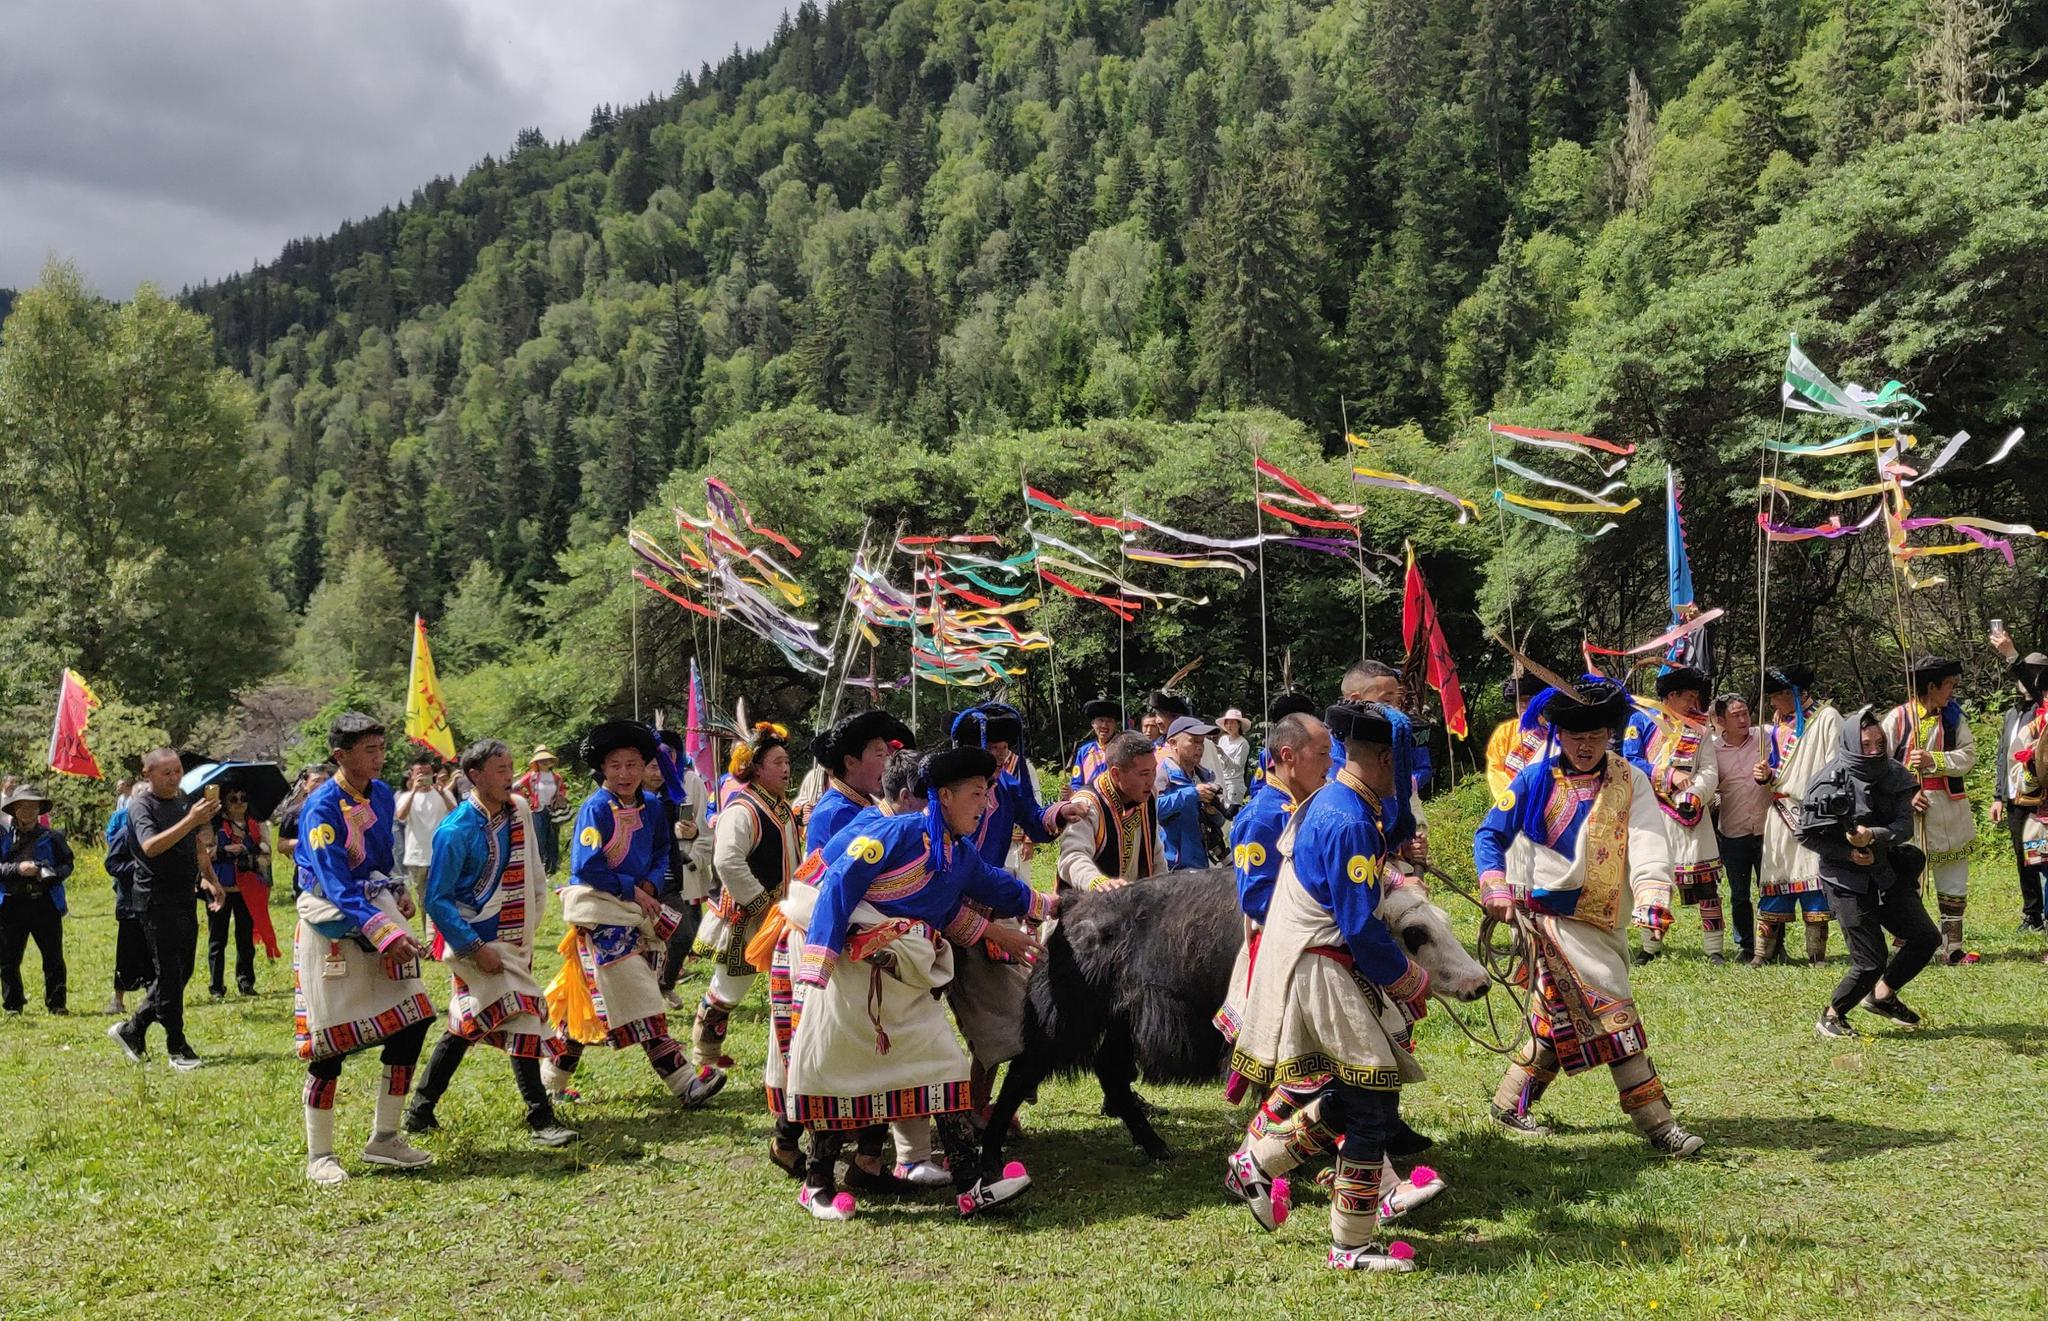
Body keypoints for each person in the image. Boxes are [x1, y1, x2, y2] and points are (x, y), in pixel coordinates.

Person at [781, 744, 1056, 1221]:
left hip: (904, 981)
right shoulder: (892, 833)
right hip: (850, 976)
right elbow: (840, 881)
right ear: (943, 796)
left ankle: (972, 1184)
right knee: (838, 1072)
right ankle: (817, 1183)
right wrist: (819, 965)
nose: (986, 804)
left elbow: (990, 888)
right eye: (976, 793)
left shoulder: (958, 854)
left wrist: (1050, 905)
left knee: (943, 1067)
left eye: (988, 792)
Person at [1224, 701, 1434, 1273]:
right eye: (1405, 761)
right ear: (1387, 759)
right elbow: (1361, 924)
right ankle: (1351, 1245)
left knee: (1361, 1098)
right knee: (1371, 1103)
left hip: (1320, 966)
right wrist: (1409, 978)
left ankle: (1259, 1163)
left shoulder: (1342, 804)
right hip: (1323, 969)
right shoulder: (1347, 819)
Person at [1476, 677, 1705, 1158]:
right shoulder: (1535, 779)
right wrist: (1494, 884)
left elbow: (1646, 840)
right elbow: (1490, 835)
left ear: (1609, 734)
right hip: (1547, 921)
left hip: (1603, 923)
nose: (1586, 746)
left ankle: (1508, 1103)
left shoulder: (1630, 780)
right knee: (1614, 1015)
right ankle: (1658, 1124)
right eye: (1576, 737)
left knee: (1556, 1020)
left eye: (1595, 736)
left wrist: (1650, 895)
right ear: (1559, 735)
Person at [542, 720, 725, 1108]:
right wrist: (632, 889)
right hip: (602, 915)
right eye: (615, 765)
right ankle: (686, 1085)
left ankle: (548, 1085)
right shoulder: (596, 809)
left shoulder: (655, 806)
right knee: (642, 998)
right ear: (603, 769)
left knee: (590, 1003)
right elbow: (587, 864)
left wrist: (652, 886)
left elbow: (664, 852)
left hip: (637, 912)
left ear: (645, 766)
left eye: (632, 764)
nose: (624, 773)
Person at [405, 738, 577, 1147]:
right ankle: (541, 1119)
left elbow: (533, 868)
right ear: (474, 776)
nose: (509, 777)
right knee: (522, 1014)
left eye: (510, 769)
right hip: (475, 943)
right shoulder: (456, 830)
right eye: (500, 770)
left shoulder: (517, 810)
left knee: (466, 1024)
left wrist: (532, 917)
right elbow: (437, 899)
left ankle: (419, 1110)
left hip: (514, 940)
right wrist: (473, 947)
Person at [288, 713, 436, 1186]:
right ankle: (320, 1154)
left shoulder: (383, 793)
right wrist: (386, 932)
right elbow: (334, 883)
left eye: (381, 747)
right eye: (369, 750)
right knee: (329, 1045)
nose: (380, 756)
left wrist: (397, 889)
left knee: (414, 1018)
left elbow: (377, 857)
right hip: (334, 929)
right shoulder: (321, 808)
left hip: (376, 914)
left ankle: (385, 1137)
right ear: (341, 756)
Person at [947, 702, 1085, 1118]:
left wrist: (1061, 812)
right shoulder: (942, 795)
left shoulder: (1005, 786)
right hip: (941, 915)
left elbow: (1035, 821)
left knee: (1002, 1017)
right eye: (994, 751)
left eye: (1006, 751)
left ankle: (980, 1109)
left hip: (990, 909)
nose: (1002, 759)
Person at [1801, 708, 1940, 1038]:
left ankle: (1882, 995)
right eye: (1867, 744)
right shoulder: (1826, 781)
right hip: (1845, 880)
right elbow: (1806, 834)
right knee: (1870, 960)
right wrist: (1849, 851)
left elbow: (1904, 826)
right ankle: (1832, 1015)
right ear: (1851, 743)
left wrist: (1873, 837)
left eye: (1880, 742)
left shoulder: (1895, 774)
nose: (1875, 749)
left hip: (1887, 872)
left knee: (1925, 937)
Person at [692, 722, 801, 1076]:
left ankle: (792, 1058)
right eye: (777, 762)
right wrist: (759, 902)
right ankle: (704, 1056)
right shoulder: (744, 810)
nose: (786, 769)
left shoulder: (781, 809)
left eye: (787, 762)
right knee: (728, 989)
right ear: (755, 767)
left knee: (789, 985)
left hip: (781, 913)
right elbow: (726, 860)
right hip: (747, 917)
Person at [108, 747, 225, 1070]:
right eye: (166, 773)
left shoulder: (183, 798)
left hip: (184, 894)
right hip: (155, 899)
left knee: (182, 971)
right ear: (148, 775)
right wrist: (191, 819)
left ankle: (133, 1029)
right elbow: (150, 846)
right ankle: (178, 1047)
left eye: (177, 771)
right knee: (169, 973)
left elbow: (196, 843)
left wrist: (210, 878)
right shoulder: (140, 805)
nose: (174, 778)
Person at [1621, 665, 1726, 963]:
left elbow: (1708, 768)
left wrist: (1694, 793)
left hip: (1691, 814)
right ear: (1671, 695)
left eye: (1696, 696)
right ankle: (1650, 948)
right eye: (1689, 696)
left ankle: (1714, 949)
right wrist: (1669, 777)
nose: (1694, 703)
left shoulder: (1699, 729)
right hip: (1652, 813)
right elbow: (1631, 760)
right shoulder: (1640, 721)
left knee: (1706, 885)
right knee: (1653, 881)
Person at [1882, 656, 1979, 964]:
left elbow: (1969, 755)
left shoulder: (1953, 719)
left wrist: (1935, 760)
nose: (1953, 691)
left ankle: (1952, 948)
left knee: (1953, 878)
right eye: (1949, 685)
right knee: (1908, 878)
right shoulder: (1897, 719)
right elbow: (1878, 764)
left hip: (1949, 811)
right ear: (1931, 686)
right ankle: (1909, 944)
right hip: (1908, 813)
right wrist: (1907, 792)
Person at [1755, 664, 1843, 965]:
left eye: (1775, 696)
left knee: (1812, 879)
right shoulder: (1779, 725)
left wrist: (1825, 807)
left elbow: (1835, 767)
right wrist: (1765, 775)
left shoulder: (1827, 718)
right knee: (1775, 876)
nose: (1770, 703)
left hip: (1811, 812)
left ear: (1791, 693)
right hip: (1778, 811)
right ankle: (1761, 955)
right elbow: (1779, 771)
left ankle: (1816, 955)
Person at [1056, 731, 1163, 892]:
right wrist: (1096, 881)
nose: (1151, 779)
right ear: (1116, 774)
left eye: (1154, 770)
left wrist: (1164, 890)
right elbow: (1072, 856)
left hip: (1134, 903)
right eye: (1144, 774)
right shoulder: (1087, 804)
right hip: (1090, 906)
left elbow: (1156, 852)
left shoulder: (1148, 796)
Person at [804, 710, 915, 858]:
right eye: (880, 755)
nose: (888, 764)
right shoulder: (838, 812)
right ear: (850, 762)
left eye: (888, 755)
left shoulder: (857, 801)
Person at [1, 784, 72, 1015]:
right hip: (11, 903)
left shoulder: (52, 837)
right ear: (14, 809)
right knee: (8, 958)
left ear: (40, 809)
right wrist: (18, 869)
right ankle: (13, 1004)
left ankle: (57, 1004)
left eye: (33, 806)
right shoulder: (3, 838)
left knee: (53, 957)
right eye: (23, 806)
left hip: (45, 903)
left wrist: (50, 874)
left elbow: (67, 864)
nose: (28, 811)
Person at [1710, 694, 1768, 963]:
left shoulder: (1764, 739)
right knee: (1740, 894)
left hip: (1767, 828)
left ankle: (1772, 945)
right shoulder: (1712, 750)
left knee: (1770, 890)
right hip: (1733, 831)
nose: (1744, 719)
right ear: (1721, 720)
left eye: (1746, 713)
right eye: (1736, 715)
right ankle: (1745, 945)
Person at [1994, 652, 2048, 932]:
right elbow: (2004, 755)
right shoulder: (2012, 713)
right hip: (2017, 795)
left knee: (2044, 855)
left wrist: (2011, 654)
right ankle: (2033, 914)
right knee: (2023, 856)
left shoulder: (2042, 708)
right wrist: (1998, 796)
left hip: (2041, 795)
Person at [207, 784, 277, 999]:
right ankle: (216, 987)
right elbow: (203, 853)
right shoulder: (214, 824)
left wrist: (251, 852)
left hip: (248, 888)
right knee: (218, 939)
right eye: (233, 799)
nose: (239, 802)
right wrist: (224, 850)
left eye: (243, 797)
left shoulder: (256, 825)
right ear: (225, 803)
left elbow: (267, 853)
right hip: (220, 888)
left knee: (245, 938)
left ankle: (246, 982)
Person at [103, 779, 153, 1015]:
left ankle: (152, 997)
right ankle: (118, 999)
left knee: (153, 951)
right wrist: (138, 867)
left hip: (155, 902)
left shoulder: (158, 829)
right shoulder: (125, 832)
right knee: (127, 952)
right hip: (130, 903)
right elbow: (112, 864)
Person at [1157, 714, 1222, 871]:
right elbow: (1153, 809)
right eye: (1193, 741)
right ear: (1173, 744)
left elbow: (1220, 823)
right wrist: (1192, 794)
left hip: (1203, 863)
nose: (1199, 747)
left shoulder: (1205, 776)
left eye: (1201, 742)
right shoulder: (1161, 774)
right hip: (1173, 866)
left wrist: (1212, 812)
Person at [395, 754, 455, 911]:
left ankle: (437, 934)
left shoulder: (444, 794)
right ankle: (429, 934)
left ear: (433, 774)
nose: (423, 777)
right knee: (423, 901)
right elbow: (401, 816)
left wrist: (442, 793)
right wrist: (414, 791)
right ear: (412, 775)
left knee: (443, 897)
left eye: (427, 773)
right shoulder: (406, 797)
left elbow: (457, 815)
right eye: (419, 773)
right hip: (417, 857)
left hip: (441, 853)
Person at [1484, 676, 1548, 802]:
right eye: (1520, 701)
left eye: (1528, 700)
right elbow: (1495, 769)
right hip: (1511, 800)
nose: (1523, 705)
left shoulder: (1554, 733)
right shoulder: (1504, 732)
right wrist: (1516, 794)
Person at [512, 746, 567, 877]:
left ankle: (552, 868)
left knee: (553, 838)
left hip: (553, 810)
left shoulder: (556, 777)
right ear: (536, 763)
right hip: (537, 811)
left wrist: (560, 797)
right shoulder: (531, 777)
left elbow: (563, 790)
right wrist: (525, 799)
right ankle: (539, 867)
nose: (545, 762)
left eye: (547, 760)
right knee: (539, 839)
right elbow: (515, 787)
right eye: (542, 760)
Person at [275, 761, 334, 865]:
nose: (322, 784)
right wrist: (307, 841)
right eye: (316, 781)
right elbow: (281, 845)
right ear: (305, 785)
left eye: (325, 780)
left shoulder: (339, 808)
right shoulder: (294, 812)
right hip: (307, 871)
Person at [1068, 696, 1124, 792]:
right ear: (1093, 723)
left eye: (1109, 721)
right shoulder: (1084, 750)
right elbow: (1076, 783)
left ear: (1115, 724)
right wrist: (1073, 793)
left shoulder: (1123, 748)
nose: (1104, 725)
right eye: (1101, 720)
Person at [1215, 709, 1253, 810]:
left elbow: (1237, 766)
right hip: (1221, 781)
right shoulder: (1223, 739)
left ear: (1239, 724)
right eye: (1227, 723)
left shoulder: (1243, 743)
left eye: (1232, 722)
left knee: (1232, 815)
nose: (1229, 725)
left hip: (1234, 783)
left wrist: (1222, 754)